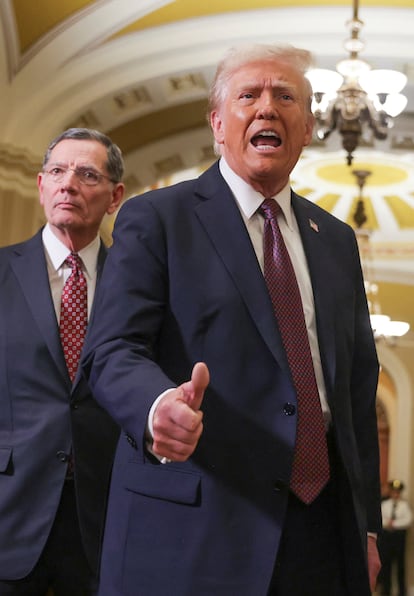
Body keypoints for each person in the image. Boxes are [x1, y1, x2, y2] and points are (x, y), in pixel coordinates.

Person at [82, 44, 382, 595]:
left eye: (285, 96)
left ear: (309, 126)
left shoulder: (336, 240)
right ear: (219, 125)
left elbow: (356, 392)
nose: (267, 108)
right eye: (249, 96)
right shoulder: (158, 217)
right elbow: (112, 351)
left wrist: (364, 527)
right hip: (197, 528)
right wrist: (156, 407)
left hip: (321, 531)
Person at [0, 128, 125, 595]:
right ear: (40, 185)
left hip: (104, 516)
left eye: (86, 174)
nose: (68, 184)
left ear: (114, 197)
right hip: (9, 511)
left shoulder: (138, 286)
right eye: (57, 171)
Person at [378, 480, 412, 596]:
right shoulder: (384, 505)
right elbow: (379, 519)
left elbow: (408, 520)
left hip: (399, 539)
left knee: (400, 566)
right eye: (393, 491)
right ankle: (385, 591)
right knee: (386, 566)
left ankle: (401, 592)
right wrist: (387, 523)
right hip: (387, 539)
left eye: (398, 492)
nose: (395, 494)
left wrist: (394, 524)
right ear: (391, 492)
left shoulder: (404, 505)